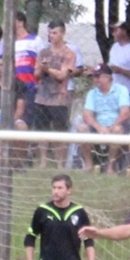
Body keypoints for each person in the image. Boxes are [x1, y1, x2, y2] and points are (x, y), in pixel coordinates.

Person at [33, 19, 77, 167]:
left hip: (59, 97)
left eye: (55, 32)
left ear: (62, 33)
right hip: (42, 96)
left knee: (60, 130)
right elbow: (36, 74)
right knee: (41, 130)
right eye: (50, 33)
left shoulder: (69, 53)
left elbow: (62, 75)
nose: (51, 36)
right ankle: (43, 162)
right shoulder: (43, 52)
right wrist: (41, 70)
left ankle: (60, 163)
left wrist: (47, 69)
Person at [76, 63, 130, 172]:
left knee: (117, 130)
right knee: (81, 128)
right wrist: (99, 128)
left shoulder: (121, 90)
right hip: (98, 127)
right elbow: (87, 114)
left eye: (98, 76)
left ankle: (111, 166)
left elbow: (125, 113)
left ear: (108, 77)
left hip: (116, 125)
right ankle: (89, 165)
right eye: (94, 77)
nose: (95, 79)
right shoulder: (92, 93)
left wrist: (110, 128)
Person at [107, 21, 130, 103]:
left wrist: (121, 71)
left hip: (129, 92)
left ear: (124, 31)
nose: (113, 33)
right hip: (114, 91)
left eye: (116, 30)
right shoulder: (114, 47)